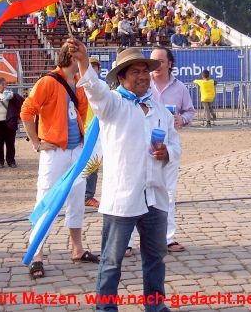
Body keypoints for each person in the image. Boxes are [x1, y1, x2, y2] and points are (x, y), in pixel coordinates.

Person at [68, 41, 181, 312]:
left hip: (155, 197)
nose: (143, 76)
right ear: (122, 77)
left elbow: (176, 144)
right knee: (111, 261)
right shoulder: (113, 104)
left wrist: (168, 153)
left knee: (155, 258)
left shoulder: (158, 110)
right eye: (135, 72)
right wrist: (84, 62)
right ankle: (106, 308)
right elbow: (95, 91)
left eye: (145, 70)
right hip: (122, 200)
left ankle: (155, 306)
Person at [20, 43, 99, 280]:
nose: (84, 59)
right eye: (81, 55)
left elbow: (85, 114)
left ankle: (77, 248)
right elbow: (27, 111)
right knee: (46, 199)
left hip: (77, 150)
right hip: (54, 152)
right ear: (72, 56)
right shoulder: (48, 82)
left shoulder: (80, 83)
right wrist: (36, 142)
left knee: (76, 199)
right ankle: (36, 255)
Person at [127, 47, 195, 255]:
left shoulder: (180, 88)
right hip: (139, 147)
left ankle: (167, 238)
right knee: (133, 192)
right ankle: (127, 241)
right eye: (152, 61)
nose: (155, 66)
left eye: (159, 61)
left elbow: (190, 111)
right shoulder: (143, 85)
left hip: (167, 146)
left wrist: (181, 119)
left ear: (169, 64)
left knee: (168, 193)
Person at [84, 58, 103, 208]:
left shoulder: (103, 87)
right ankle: (78, 194)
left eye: (95, 67)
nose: (93, 69)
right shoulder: (80, 86)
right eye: (91, 67)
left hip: (97, 130)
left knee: (94, 163)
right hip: (82, 129)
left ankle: (88, 195)